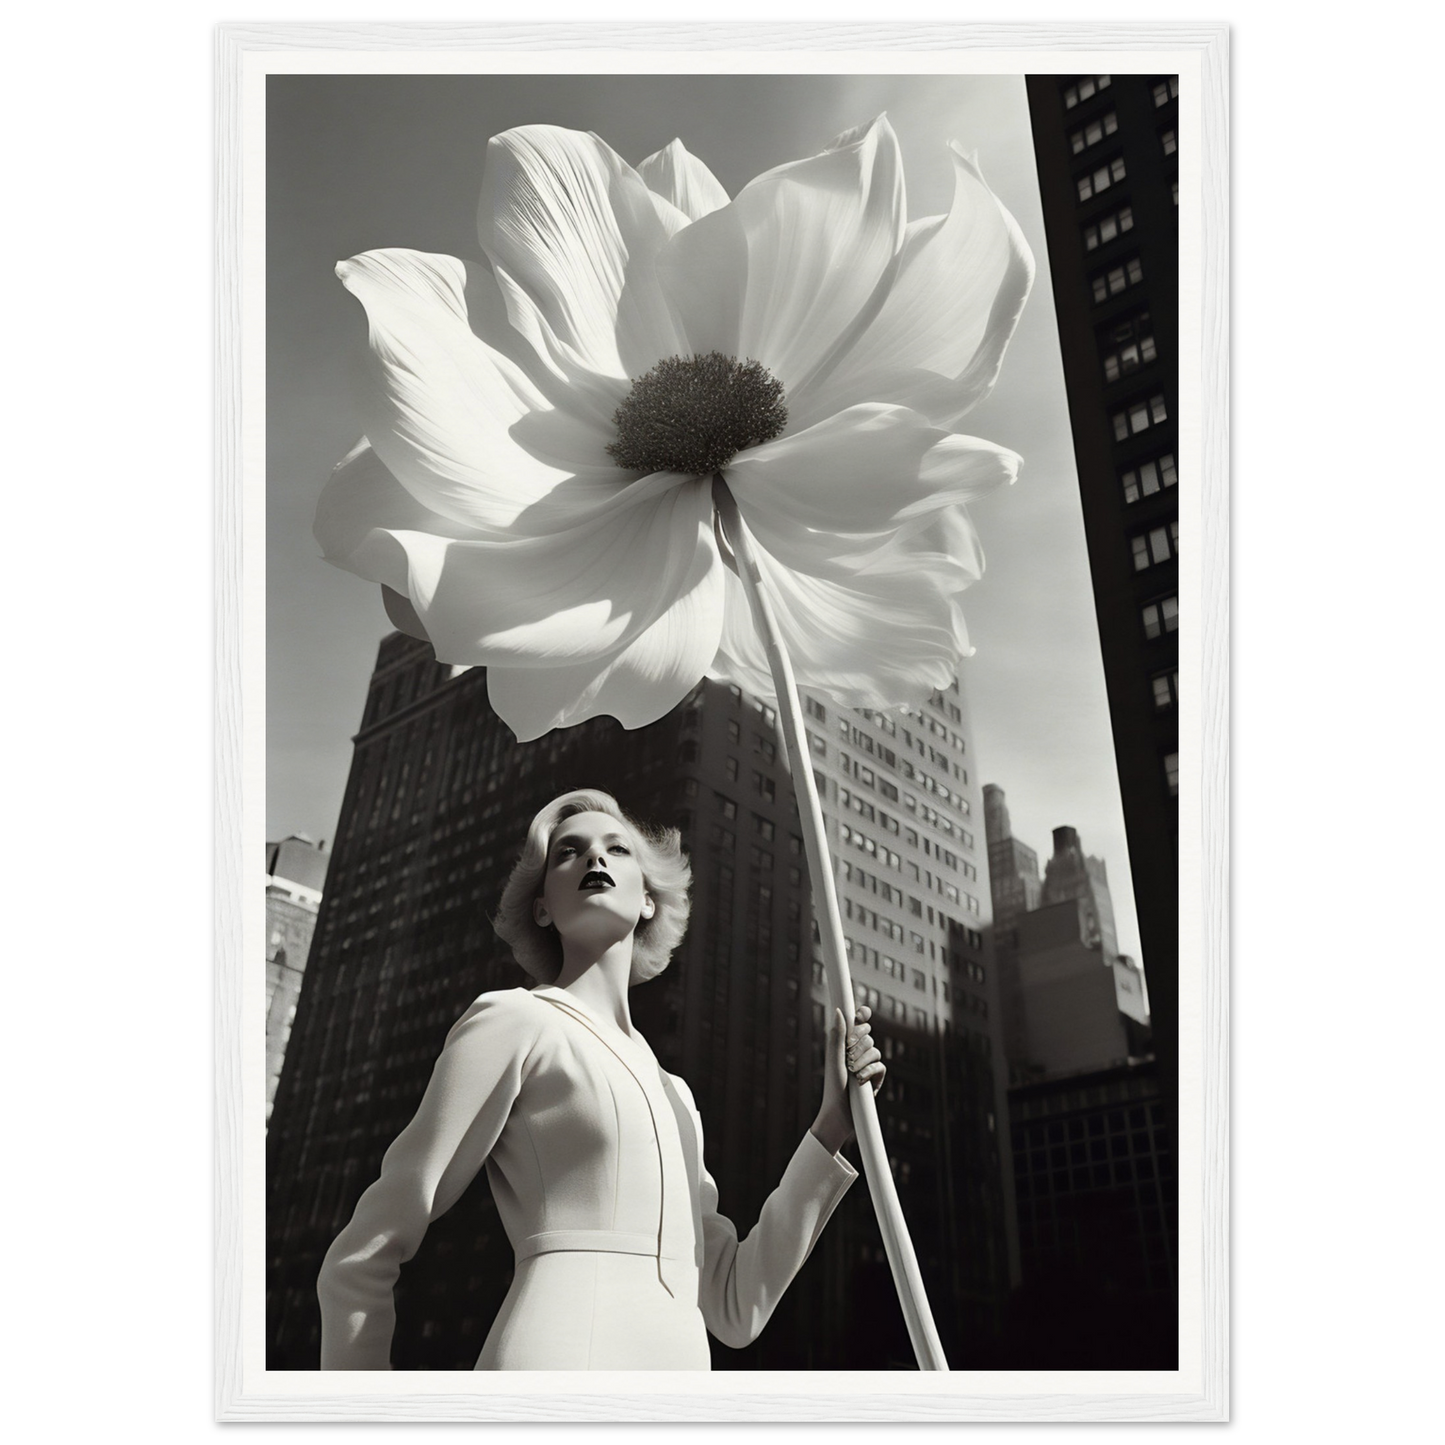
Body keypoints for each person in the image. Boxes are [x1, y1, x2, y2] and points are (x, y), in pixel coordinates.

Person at [317, 788, 885, 1370]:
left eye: (617, 849)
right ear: (542, 907)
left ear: (648, 901)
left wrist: (832, 1126)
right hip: (555, 1369)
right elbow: (365, 1254)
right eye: (569, 852)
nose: (595, 859)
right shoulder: (516, 1020)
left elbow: (735, 1308)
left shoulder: (675, 1094)